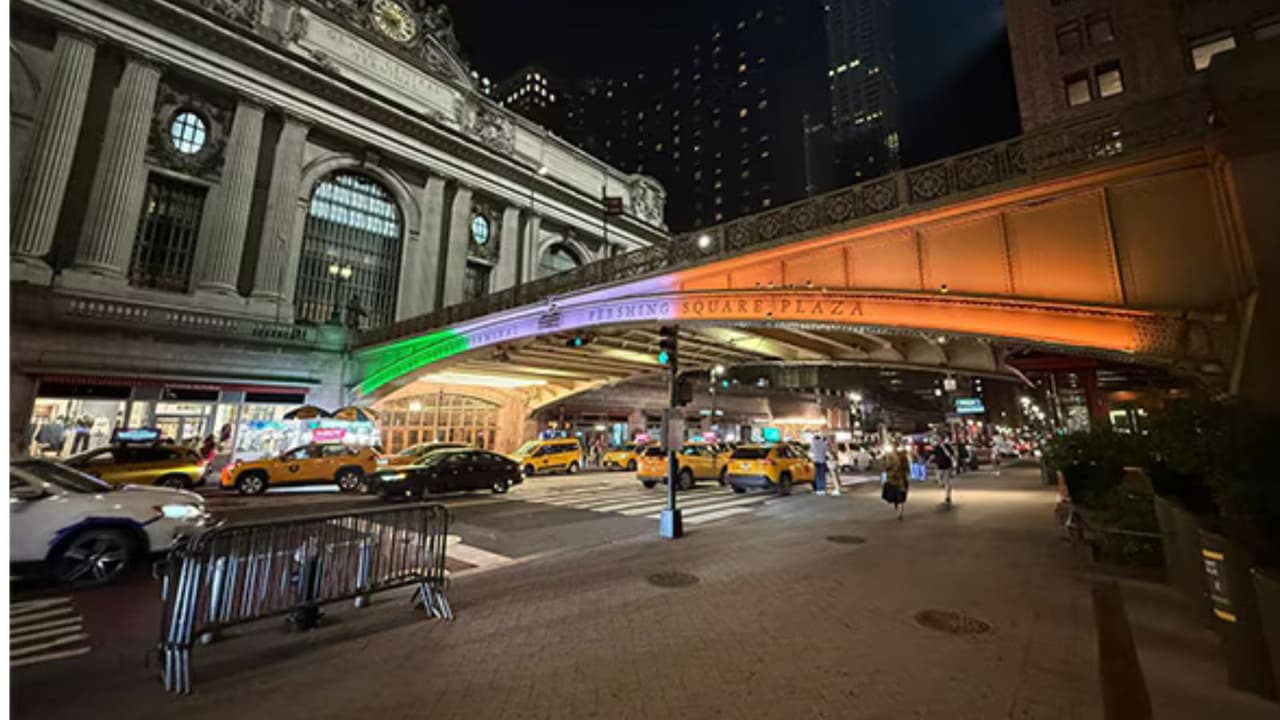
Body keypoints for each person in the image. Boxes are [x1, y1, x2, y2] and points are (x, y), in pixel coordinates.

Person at [882, 448, 910, 520]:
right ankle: (899, 511)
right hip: (899, 480)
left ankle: (899, 512)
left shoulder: (890, 456)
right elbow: (907, 469)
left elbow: (885, 467)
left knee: (897, 497)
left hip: (895, 480)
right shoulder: (902, 457)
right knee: (900, 497)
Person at [931, 437, 955, 507]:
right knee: (939, 479)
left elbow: (949, 455)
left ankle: (948, 497)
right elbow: (934, 455)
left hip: (947, 465)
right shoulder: (936, 447)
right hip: (940, 466)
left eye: (938, 440)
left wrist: (943, 447)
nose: (937, 441)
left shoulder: (947, 446)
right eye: (936, 440)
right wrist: (929, 461)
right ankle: (942, 484)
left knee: (947, 481)